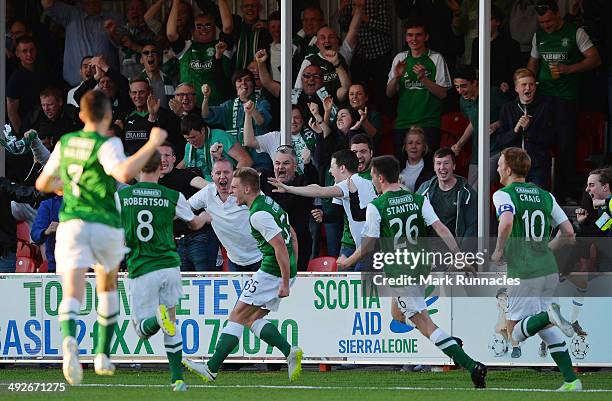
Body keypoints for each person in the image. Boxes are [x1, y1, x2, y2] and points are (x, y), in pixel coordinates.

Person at [35, 90, 168, 385]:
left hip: (71, 224)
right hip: (104, 224)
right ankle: (102, 354)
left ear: (81, 115)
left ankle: (69, 341)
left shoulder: (66, 143)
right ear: (108, 116)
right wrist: (152, 144)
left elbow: (43, 182)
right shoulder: (107, 143)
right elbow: (122, 172)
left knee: (72, 292)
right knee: (106, 286)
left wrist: (67, 187)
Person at [335, 155, 487, 388]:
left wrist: (348, 261)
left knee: (425, 324)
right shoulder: (418, 199)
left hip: (400, 272)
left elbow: (366, 246)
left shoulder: (377, 206)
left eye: (374, 176)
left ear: (381, 177)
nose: (373, 180)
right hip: (420, 266)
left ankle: (470, 364)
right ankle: (447, 341)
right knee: (397, 314)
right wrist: (459, 255)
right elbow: (441, 228)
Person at [183, 167, 303, 382]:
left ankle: (211, 368)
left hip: (271, 271)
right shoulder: (269, 204)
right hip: (281, 270)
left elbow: (280, 248)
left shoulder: (258, 215)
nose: (231, 192)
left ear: (247, 189)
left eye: (235, 188)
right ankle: (289, 351)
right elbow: (292, 235)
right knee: (251, 319)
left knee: (237, 315)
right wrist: (292, 270)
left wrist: (284, 281)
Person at [116, 150, 210, 391]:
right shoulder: (173, 195)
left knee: (141, 330)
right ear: (160, 169)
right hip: (169, 265)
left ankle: (157, 320)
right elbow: (194, 223)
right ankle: (177, 379)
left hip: (141, 265)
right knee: (172, 322)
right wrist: (208, 216)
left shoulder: (123, 195)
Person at [491, 147, 581, 391]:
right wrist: (546, 250)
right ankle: (572, 381)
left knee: (514, 333)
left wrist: (499, 250)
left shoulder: (503, 194)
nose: (497, 168)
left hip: (523, 270)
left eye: (500, 164)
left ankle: (549, 315)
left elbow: (507, 221)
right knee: (545, 330)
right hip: (548, 268)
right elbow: (569, 232)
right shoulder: (545, 196)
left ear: (509, 169)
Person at [527, 0, 601, 203]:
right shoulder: (539, 36)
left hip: (566, 98)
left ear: (557, 14)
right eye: (542, 22)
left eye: (549, 21)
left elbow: (594, 59)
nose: (546, 26)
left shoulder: (575, 32)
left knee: (565, 146)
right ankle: (540, 191)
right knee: (539, 142)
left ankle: (565, 193)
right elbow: (533, 63)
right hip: (543, 97)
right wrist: (528, 83)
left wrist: (569, 69)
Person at [268, 149, 377, 269]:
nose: (330, 171)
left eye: (332, 167)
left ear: (342, 168)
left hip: (371, 249)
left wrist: (288, 188)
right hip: (371, 246)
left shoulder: (349, 183)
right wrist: (323, 216)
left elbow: (320, 191)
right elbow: (318, 191)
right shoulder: (364, 183)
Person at [387, 19, 451, 156]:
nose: (414, 39)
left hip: (428, 122)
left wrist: (423, 79)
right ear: (405, 37)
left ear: (426, 37)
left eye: (418, 35)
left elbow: (443, 94)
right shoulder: (400, 58)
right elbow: (389, 93)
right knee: (400, 171)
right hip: (403, 123)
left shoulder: (436, 58)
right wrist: (396, 77)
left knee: (428, 170)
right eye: (410, 35)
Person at [189, 159, 262, 271]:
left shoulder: (247, 191)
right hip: (234, 261)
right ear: (212, 176)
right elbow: (182, 209)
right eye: (218, 173)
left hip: (261, 258)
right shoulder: (207, 193)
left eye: (226, 172)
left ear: (234, 175)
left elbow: (271, 213)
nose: (222, 176)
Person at [259, 148, 319, 271]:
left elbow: (313, 182)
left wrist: (308, 163)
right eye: (277, 163)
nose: (280, 167)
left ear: (295, 166)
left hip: (299, 245)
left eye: (286, 163)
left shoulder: (302, 182)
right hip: (271, 245)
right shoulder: (267, 182)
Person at [41, 0, 123, 86]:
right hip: (76, 86)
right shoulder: (71, 14)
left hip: (108, 85)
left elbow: (126, 46)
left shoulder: (115, 18)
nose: (91, 2)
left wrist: (113, 35)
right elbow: (47, 4)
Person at [450, 64, 507, 190]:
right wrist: (459, 144)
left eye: (464, 86)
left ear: (475, 83)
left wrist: (496, 125)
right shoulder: (463, 101)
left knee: (478, 189)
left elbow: (512, 115)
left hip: (495, 150)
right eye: (457, 87)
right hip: (477, 153)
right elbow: (473, 123)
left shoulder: (493, 93)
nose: (460, 91)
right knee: (470, 190)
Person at [167, 0, 232, 107]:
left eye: (208, 25)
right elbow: (170, 34)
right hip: (190, 110)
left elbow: (228, 27)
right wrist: (175, 2)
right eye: (199, 26)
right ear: (192, 30)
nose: (204, 29)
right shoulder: (186, 47)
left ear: (215, 29)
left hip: (217, 109)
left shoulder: (221, 46)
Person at [497, 68, 554, 188]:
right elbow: (501, 140)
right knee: (515, 201)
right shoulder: (508, 108)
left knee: (536, 202)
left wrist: (529, 128)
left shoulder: (545, 106)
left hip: (537, 164)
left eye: (531, 84)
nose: (528, 88)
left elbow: (550, 139)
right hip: (513, 166)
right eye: (524, 84)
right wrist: (515, 130)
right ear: (516, 88)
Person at [417, 148, 477, 250]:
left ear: (454, 166)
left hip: (455, 252)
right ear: (434, 167)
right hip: (429, 252)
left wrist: (461, 258)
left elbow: (472, 229)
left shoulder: (467, 194)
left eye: (446, 163)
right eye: (438, 163)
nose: (442, 167)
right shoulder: (425, 189)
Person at [178, 114, 252, 182]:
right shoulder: (189, 146)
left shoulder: (220, 136)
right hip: (201, 188)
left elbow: (246, 160)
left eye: (193, 137)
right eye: (187, 138)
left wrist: (231, 181)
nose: (191, 142)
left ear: (203, 130)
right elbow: (184, 163)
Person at [31, 195, 62, 273]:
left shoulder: (88, 200)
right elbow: (35, 233)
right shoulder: (48, 202)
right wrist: (46, 231)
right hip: (56, 266)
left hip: (88, 264)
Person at [399, 127, 434, 192]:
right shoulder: (397, 168)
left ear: (424, 147)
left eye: (418, 143)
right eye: (410, 143)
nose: (413, 146)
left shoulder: (431, 170)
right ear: (405, 147)